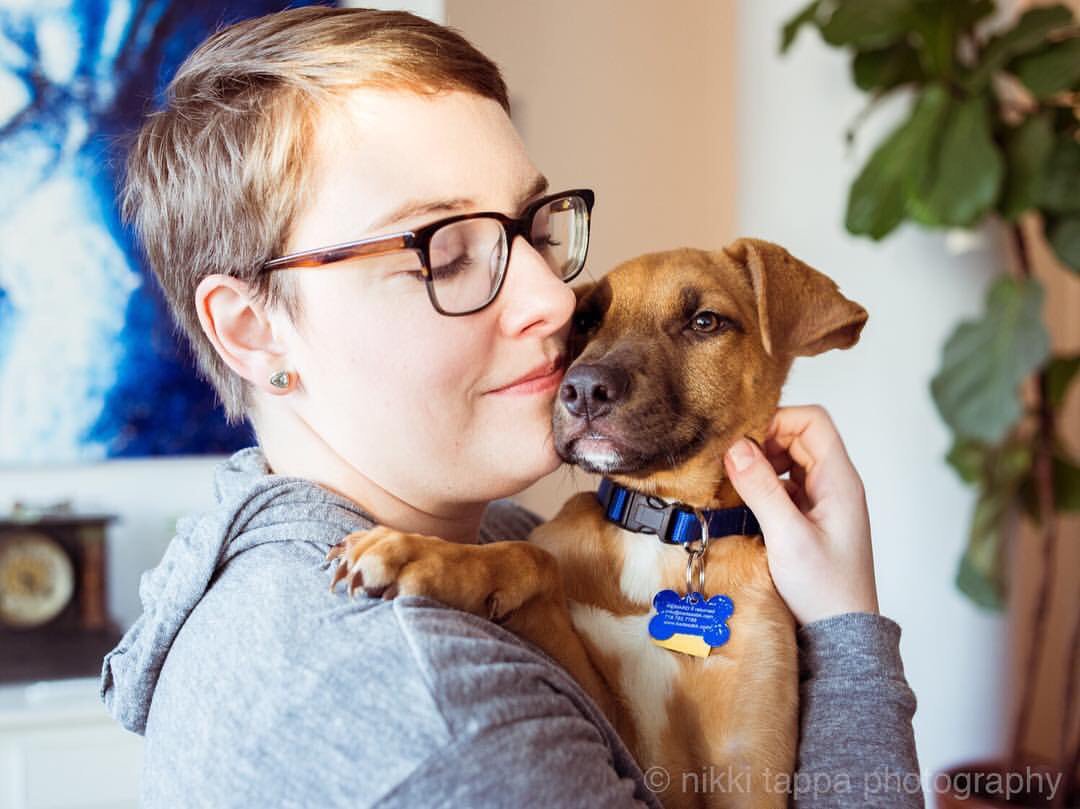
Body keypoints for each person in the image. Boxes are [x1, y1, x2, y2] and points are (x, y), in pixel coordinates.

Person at [99, 7, 923, 808]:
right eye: (445, 252)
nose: (556, 301)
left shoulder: (493, 542)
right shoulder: (443, 726)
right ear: (252, 331)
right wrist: (851, 639)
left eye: (532, 229)